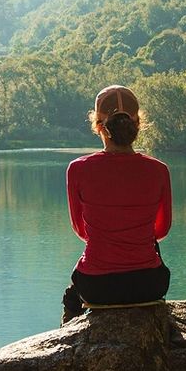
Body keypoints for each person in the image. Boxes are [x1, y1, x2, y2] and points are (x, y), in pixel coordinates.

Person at [61, 85, 172, 323]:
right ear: (138, 124)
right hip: (149, 285)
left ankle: (68, 337)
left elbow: (81, 231)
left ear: (99, 126)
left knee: (73, 293)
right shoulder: (159, 170)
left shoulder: (78, 169)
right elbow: (161, 231)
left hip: (96, 287)